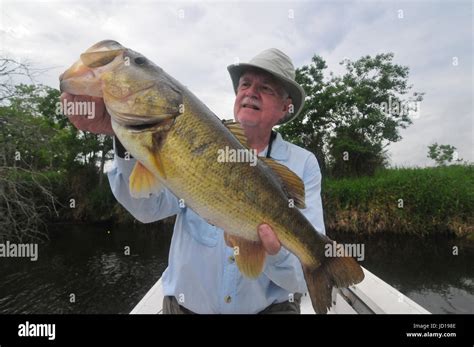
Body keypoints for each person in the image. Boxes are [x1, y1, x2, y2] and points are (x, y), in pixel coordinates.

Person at [61, 48, 326, 314]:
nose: (251, 92)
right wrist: (122, 135)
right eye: (245, 83)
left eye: (266, 88)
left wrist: (272, 250)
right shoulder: (190, 139)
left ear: (285, 107)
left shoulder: (303, 164)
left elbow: (300, 279)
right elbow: (146, 208)